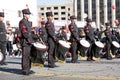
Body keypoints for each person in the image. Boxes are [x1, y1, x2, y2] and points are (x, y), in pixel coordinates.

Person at [19, 8, 34, 75]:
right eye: (28, 14)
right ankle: (25, 70)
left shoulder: (28, 22)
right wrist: (28, 39)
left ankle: (28, 68)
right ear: (24, 14)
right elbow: (24, 31)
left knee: (29, 56)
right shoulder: (22, 21)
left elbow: (29, 31)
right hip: (25, 41)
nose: (29, 15)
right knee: (25, 56)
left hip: (29, 41)